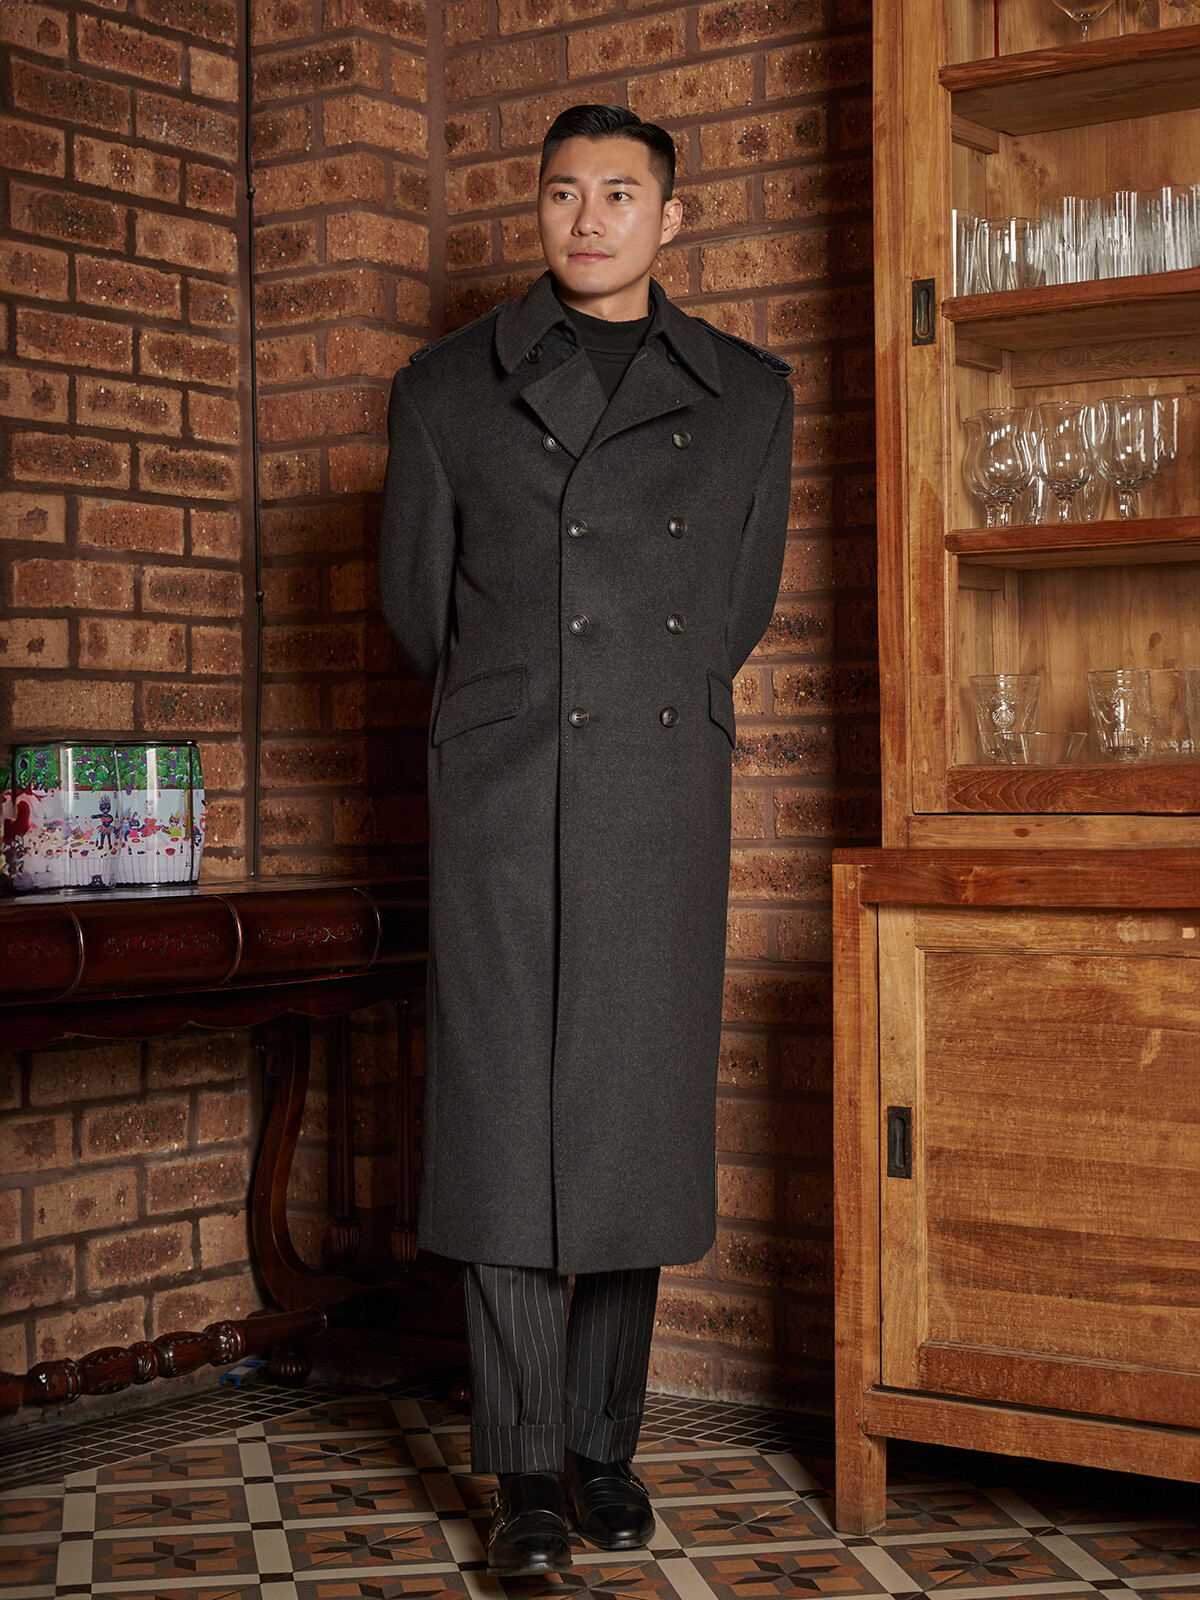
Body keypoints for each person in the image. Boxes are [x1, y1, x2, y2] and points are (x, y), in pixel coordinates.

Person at [379, 103, 794, 1577]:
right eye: (565, 191)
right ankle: (523, 1477)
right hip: (502, 796)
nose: (591, 217)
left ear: (671, 219)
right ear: (539, 210)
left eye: (622, 193)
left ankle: (605, 1447)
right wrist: (521, 718)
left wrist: (631, 716)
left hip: (656, 791)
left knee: (631, 1119)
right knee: (502, 1126)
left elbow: (736, 607)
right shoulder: (444, 390)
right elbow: (417, 609)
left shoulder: (749, 394)